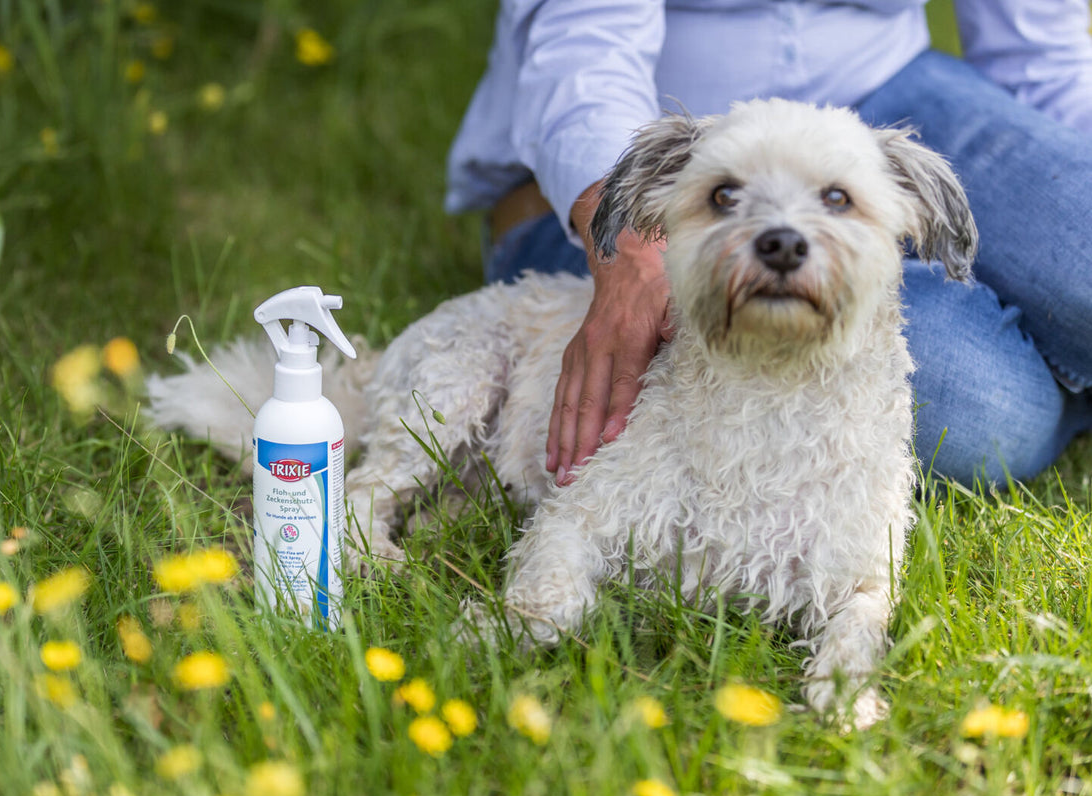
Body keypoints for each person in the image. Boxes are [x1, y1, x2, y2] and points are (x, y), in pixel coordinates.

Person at [444, 0, 1092, 489]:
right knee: (986, 407)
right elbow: (584, 53)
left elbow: (1039, 61)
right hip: (665, 156)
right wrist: (635, 248)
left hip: (890, 96)